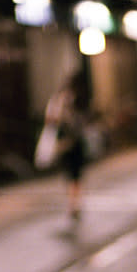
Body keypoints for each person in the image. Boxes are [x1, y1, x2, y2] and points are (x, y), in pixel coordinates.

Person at [45, 70, 91, 227]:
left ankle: (73, 203)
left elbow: (50, 120)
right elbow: (81, 122)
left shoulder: (57, 101)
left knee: (71, 176)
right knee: (75, 176)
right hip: (73, 142)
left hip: (65, 143)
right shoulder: (75, 100)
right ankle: (74, 204)